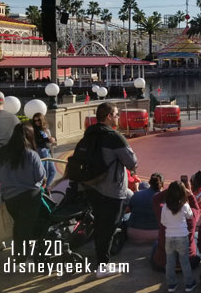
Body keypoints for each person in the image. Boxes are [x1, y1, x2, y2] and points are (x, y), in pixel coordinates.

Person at [83, 102, 138, 277]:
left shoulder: (89, 134)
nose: (118, 117)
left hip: (92, 187)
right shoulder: (114, 137)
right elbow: (132, 162)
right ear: (108, 116)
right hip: (111, 190)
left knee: (100, 225)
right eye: (115, 114)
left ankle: (101, 261)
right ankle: (103, 266)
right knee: (109, 228)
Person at [0, 123, 45, 262]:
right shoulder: (31, 154)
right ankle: (22, 257)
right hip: (30, 196)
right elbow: (40, 176)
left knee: (19, 226)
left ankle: (19, 255)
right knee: (25, 228)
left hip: (10, 197)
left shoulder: (3, 155)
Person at [151, 180, 201, 271]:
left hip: (163, 263)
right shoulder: (191, 214)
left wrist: (171, 190)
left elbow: (156, 199)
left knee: (156, 244)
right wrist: (190, 195)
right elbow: (197, 208)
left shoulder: (163, 211)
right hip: (189, 262)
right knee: (196, 240)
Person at [161, 181, 197, 293]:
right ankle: (189, 284)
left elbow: (163, 222)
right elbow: (190, 215)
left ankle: (171, 284)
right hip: (182, 236)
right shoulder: (184, 205)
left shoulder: (165, 207)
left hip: (169, 237)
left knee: (170, 262)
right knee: (184, 261)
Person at [128, 172, 164, 243]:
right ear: (162, 184)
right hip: (156, 234)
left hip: (133, 234)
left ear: (149, 182)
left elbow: (129, 209)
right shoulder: (165, 199)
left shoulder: (137, 194)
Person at [32, 112, 57, 188]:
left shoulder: (45, 129)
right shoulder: (35, 130)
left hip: (47, 151)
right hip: (41, 152)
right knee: (45, 173)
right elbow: (39, 140)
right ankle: (44, 188)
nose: (37, 122)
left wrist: (51, 140)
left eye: (38, 120)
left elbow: (47, 139)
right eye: (35, 121)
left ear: (42, 120)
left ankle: (46, 188)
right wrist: (48, 139)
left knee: (53, 171)